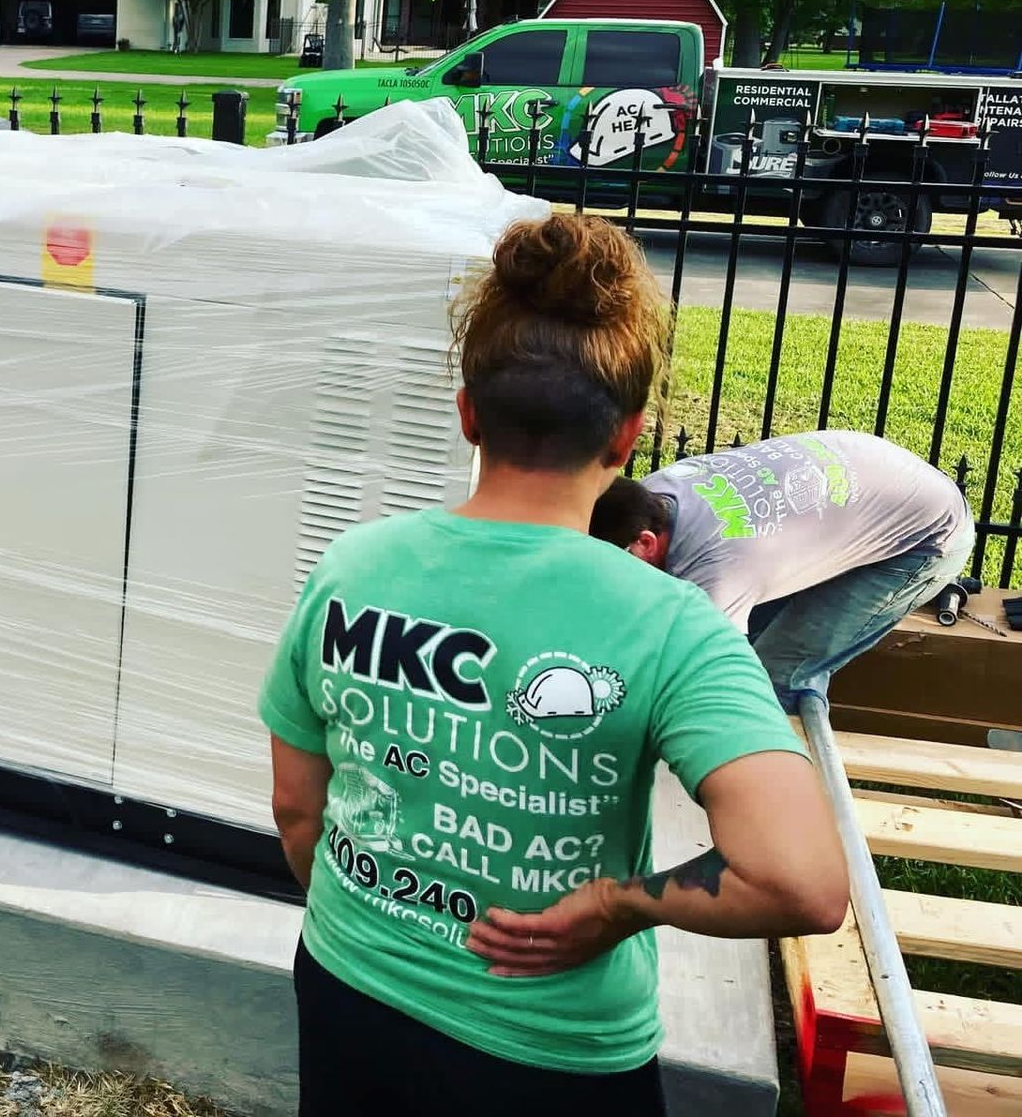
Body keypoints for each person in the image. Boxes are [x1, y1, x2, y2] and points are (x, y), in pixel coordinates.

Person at [260, 213, 847, 1116]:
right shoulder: (669, 627)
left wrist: (374, 925)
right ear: (628, 438)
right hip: (554, 1052)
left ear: (468, 415)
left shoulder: (351, 566)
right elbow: (799, 879)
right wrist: (619, 905)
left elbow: (298, 809)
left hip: (348, 988)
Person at [590, 432, 974, 711]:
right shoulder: (656, 489)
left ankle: (783, 800)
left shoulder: (722, 569)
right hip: (870, 476)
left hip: (925, 536)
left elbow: (706, 673)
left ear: (644, 542)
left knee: (776, 674)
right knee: (753, 630)